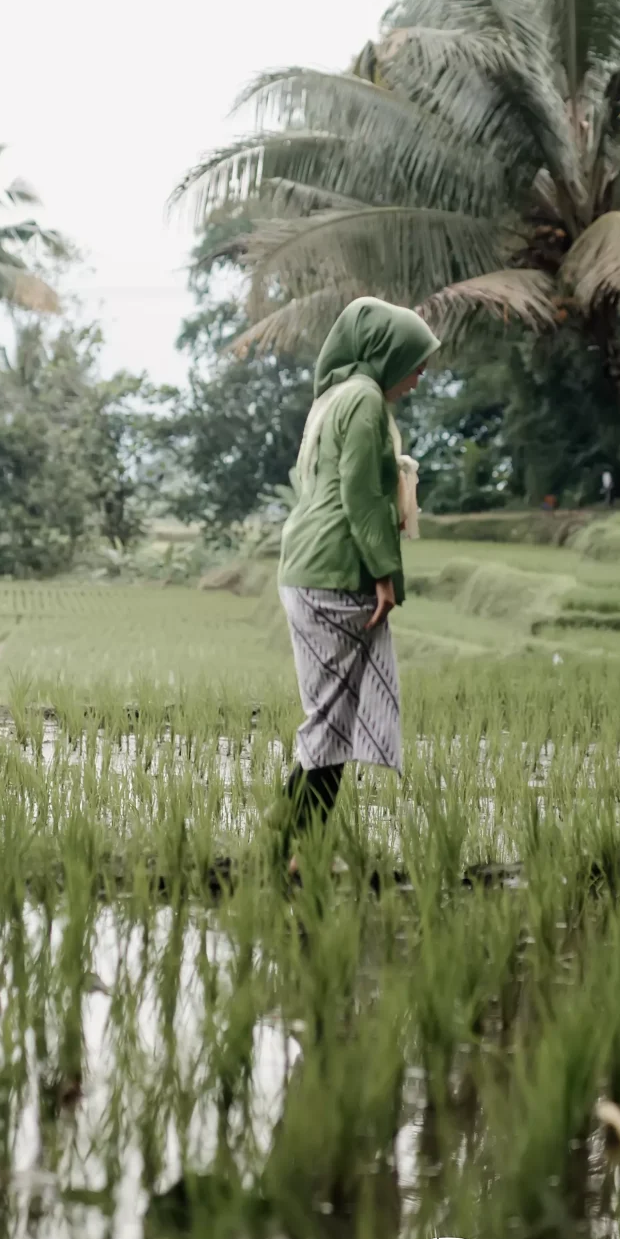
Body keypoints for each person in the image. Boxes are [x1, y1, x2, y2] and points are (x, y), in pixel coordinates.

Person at [274, 296, 438, 863]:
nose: (418, 377)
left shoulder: (337, 398)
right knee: (331, 725)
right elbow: (362, 496)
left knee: (332, 721)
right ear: (388, 354)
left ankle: (293, 846)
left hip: (308, 566)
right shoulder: (364, 400)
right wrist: (386, 577)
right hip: (335, 572)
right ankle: (292, 849)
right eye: (416, 364)